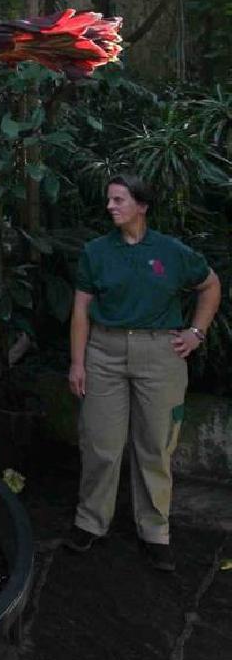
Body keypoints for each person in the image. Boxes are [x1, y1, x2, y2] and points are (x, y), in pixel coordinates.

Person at [65, 172, 221, 571]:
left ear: (141, 205)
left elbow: (210, 284)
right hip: (105, 352)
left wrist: (196, 333)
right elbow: (81, 309)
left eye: (118, 200)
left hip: (160, 354)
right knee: (100, 443)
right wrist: (78, 361)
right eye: (109, 200)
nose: (110, 207)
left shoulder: (171, 252)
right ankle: (90, 522)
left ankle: (155, 531)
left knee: (155, 445)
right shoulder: (96, 252)